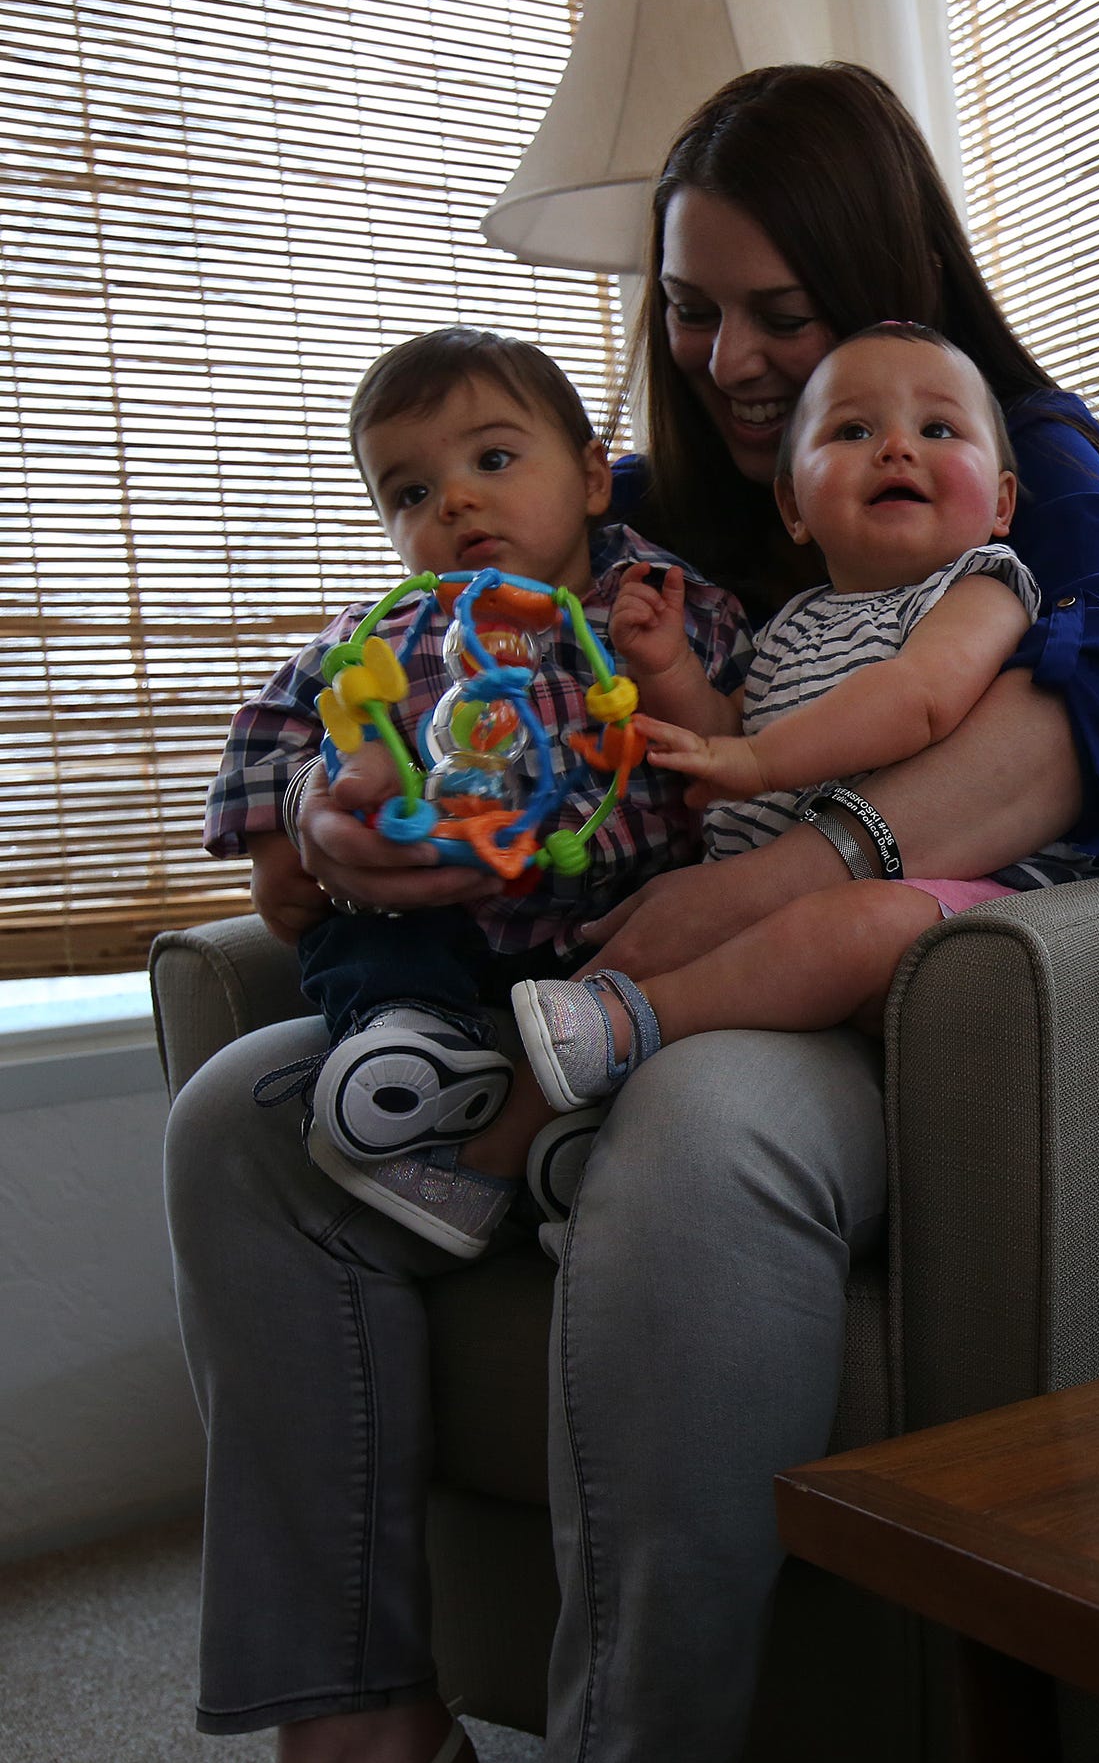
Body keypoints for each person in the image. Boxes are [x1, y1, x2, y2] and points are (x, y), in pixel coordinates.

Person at [165, 62, 1099, 1763]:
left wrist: (757, 887)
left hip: (906, 974)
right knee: (237, 1129)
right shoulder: (637, 499)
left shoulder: (1016, 456)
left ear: (893, 285)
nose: (727, 360)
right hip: (597, 974)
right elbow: (422, 664)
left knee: (696, 1116)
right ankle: (359, 1716)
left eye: (778, 313)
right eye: (690, 309)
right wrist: (332, 820)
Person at [207, 327, 746, 1259]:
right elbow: (273, 721)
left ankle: (571, 1142)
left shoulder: (662, 599)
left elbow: (737, 734)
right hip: (457, 918)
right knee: (356, 938)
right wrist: (276, 847)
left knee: (682, 976)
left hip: (619, 919)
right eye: (410, 493)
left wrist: (668, 673)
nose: (454, 499)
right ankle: (413, 1042)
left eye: (494, 459)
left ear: (589, 477)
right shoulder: (387, 630)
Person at [513, 322, 1073, 1104]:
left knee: (843, 928)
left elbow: (919, 699)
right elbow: (728, 734)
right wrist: (669, 668)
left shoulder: (980, 586)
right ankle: (591, 1112)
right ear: (794, 506)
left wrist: (758, 762)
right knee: (704, 922)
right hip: (778, 898)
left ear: (1003, 501)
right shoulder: (794, 621)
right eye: (853, 431)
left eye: (937, 428)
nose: (896, 448)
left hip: (943, 898)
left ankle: (639, 1022)